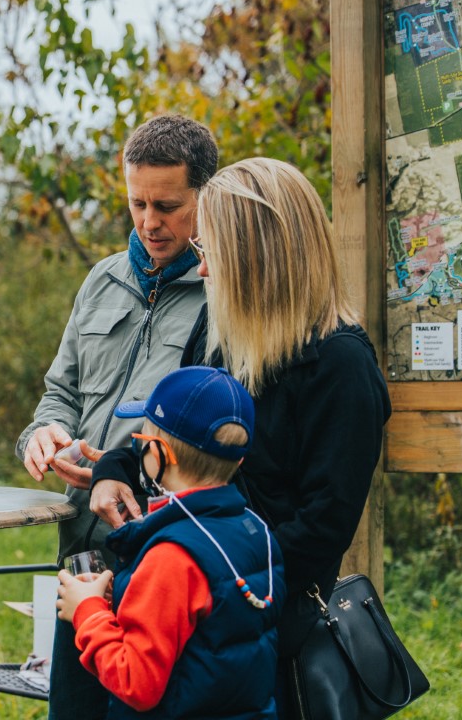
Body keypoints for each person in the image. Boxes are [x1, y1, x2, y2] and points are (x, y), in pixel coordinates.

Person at [86, 158, 391, 719]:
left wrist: (207, 583)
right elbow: (169, 432)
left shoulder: (341, 368)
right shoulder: (219, 333)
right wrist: (113, 470)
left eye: (209, 255)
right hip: (189, 612)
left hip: (266, 631)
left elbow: (322, 529)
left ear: (259, 261)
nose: (201, 273)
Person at [15, 113, 217, 717]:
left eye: (168, 206)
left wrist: (126, 470)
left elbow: (221, 439)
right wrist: (41, 434)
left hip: (163, 560)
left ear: (206, 198)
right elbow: (60, 393)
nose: (150, 223)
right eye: (137, 203)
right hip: (79, 555)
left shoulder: (224, 292)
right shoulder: (101, 279)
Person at [57, 365, 285, 718]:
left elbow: (137, 682)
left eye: (142, 442)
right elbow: (210, 629)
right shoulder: (255, 530)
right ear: (239, 459)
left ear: (160, 454)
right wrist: (124, 594)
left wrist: (87, 612)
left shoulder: (173, 555)